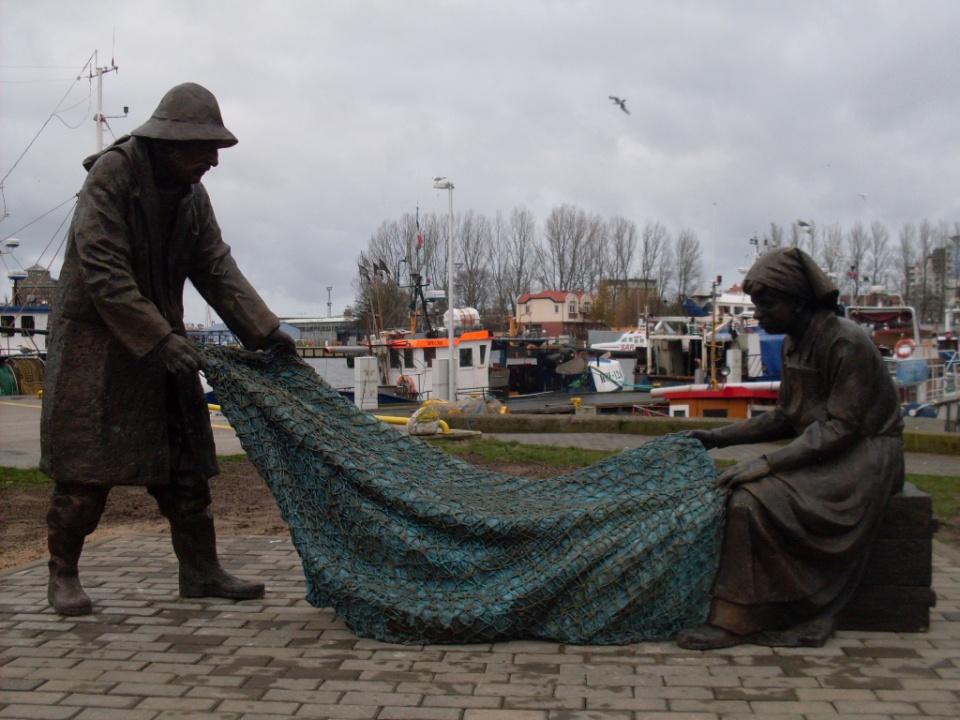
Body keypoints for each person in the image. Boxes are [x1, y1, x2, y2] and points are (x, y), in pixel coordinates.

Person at [40, 83, 295, 616]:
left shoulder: (191, 196)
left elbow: (216, 267)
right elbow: (102, 269)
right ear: (173, 142)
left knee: (186, 469)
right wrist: (156, 337)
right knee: (85, 477)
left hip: (160, 340)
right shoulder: (111, 176)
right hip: (101, 348)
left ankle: (200, 572)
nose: (212, 163)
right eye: (206, 150)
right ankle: (62, 573)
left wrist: (265, 332)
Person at [679, 247, 904, 649]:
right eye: (756, 305)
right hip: (829, 449)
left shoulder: (845, 342)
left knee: (750, 501)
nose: (758, 314)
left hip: (865, 455)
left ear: (798, 301)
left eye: (767, 303)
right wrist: (716, 438)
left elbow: (841, 427)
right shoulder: (795, 343)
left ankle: (743, 617)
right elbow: (786, 417)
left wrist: (766, 464)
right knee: (743, 494)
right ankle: (762, 607)